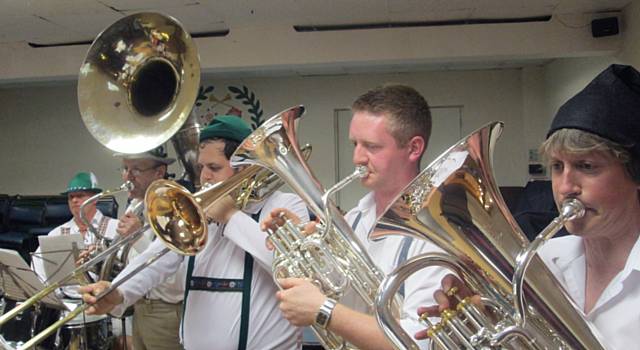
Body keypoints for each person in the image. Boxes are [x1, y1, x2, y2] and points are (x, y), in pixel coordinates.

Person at [418, 64, 640, 350]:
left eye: (587, 166)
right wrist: (477, 324)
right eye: (558, 167)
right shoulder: (540, 263)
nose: (565, 186)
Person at [81, 115, 308, 350]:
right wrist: (118, 291)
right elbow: (156, 258)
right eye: (201, 168)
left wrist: (231, 217)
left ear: (246, 168)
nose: (204, 177)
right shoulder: (198, 213)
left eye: (214, 168)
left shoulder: (286, 205)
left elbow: (292, 267)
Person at [262, 85, 447, 350]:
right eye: (355, 143)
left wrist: (325, 311)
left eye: (371, 146)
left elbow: (417, 342)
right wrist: (308, 252)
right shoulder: (359, 216)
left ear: (414, 148)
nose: (357, 158)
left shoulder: (435, 231)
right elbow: (349, 294)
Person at [111, 144, 185, 350]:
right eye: (125, 169)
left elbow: (178, 279)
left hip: (166, 313)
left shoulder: (175, 206)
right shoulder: (135, 204)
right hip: (139, 308)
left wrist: (138, 238)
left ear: (159, 172)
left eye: (136, 169)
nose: (127, 176)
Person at [32, 171, 119, 293]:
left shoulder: (116, 228)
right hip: (64, 303)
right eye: (71, 197)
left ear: (96, 198)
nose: (74, 201)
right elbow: (38, 267)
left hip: (105, 302)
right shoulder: (56, 233)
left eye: (80, 195)